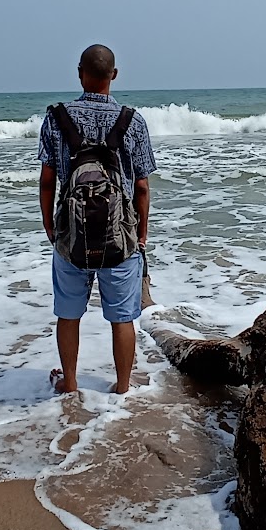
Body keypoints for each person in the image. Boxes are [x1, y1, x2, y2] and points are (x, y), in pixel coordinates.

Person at [38, 44, 156, 395]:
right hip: (120, 235)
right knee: (122, 317)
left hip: (70, 234)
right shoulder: (133, 120)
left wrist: (50, 224)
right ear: (114, 75)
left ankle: (70, 382)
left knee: (69, 314)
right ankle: (122, 385)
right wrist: (142, 234)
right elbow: (142, 186)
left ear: (80, 73)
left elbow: (47, 180)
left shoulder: (56, 117)